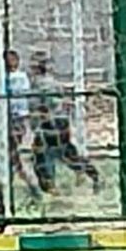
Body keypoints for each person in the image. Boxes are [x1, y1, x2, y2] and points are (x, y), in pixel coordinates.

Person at [29, 52, 100, 194]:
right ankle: (89, 172)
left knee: (44, 154)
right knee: (65, 152)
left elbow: (48, 103)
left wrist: (43, 113)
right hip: (59, 121)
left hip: (50, 123)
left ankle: (50, 185)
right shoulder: (50, 82)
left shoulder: (42, 84)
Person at [4, 49, 41, 200]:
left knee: (13, 155)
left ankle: (31, 187)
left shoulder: (20, 76)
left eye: (13, 59)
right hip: (11, 117)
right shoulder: (7, 77)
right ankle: (30, 186)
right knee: (12, 157)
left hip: (17, 118)